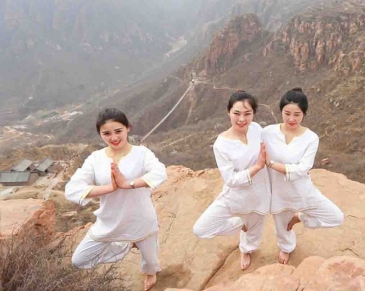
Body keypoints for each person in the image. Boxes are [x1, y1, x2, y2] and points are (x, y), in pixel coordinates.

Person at [65, 108, 169, 291]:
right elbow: (72, 189)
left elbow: (160, 172)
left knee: (151, 264)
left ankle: (149, 270)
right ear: (100, 134)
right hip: (109, 221)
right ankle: (126, 246)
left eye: (118, 131)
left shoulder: (142, 153)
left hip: (141, 219)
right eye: (106, 133)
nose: (113, 137)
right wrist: (109, 188)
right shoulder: (95, 159)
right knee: (79, 260)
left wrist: (128, 184)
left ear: (128, 128)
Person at [262, 87, 344, 265]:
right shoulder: (267, 132)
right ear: (281, 111)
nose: (291, 119)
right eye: (287, 113)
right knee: (281, 228)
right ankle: (286, 247)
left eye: (297, 114)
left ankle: (299, 217)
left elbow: (304, 167)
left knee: (336, 217)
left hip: (302, 190)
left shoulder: (311, 138)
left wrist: (272, 164)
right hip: (278, 192)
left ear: (304, 114)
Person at [193, 90, 270, 270]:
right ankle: (240, 225)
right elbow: (231, 179)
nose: (241, 119)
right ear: (228, 112)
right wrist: (257, 167)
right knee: (201, 229)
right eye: (236, 113)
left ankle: (246, 249)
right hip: (235, 195)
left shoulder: (257, 129)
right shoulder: (222, 144)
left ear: (253, 114)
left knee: (254, 232)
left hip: (260, 192)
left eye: (247, 113)